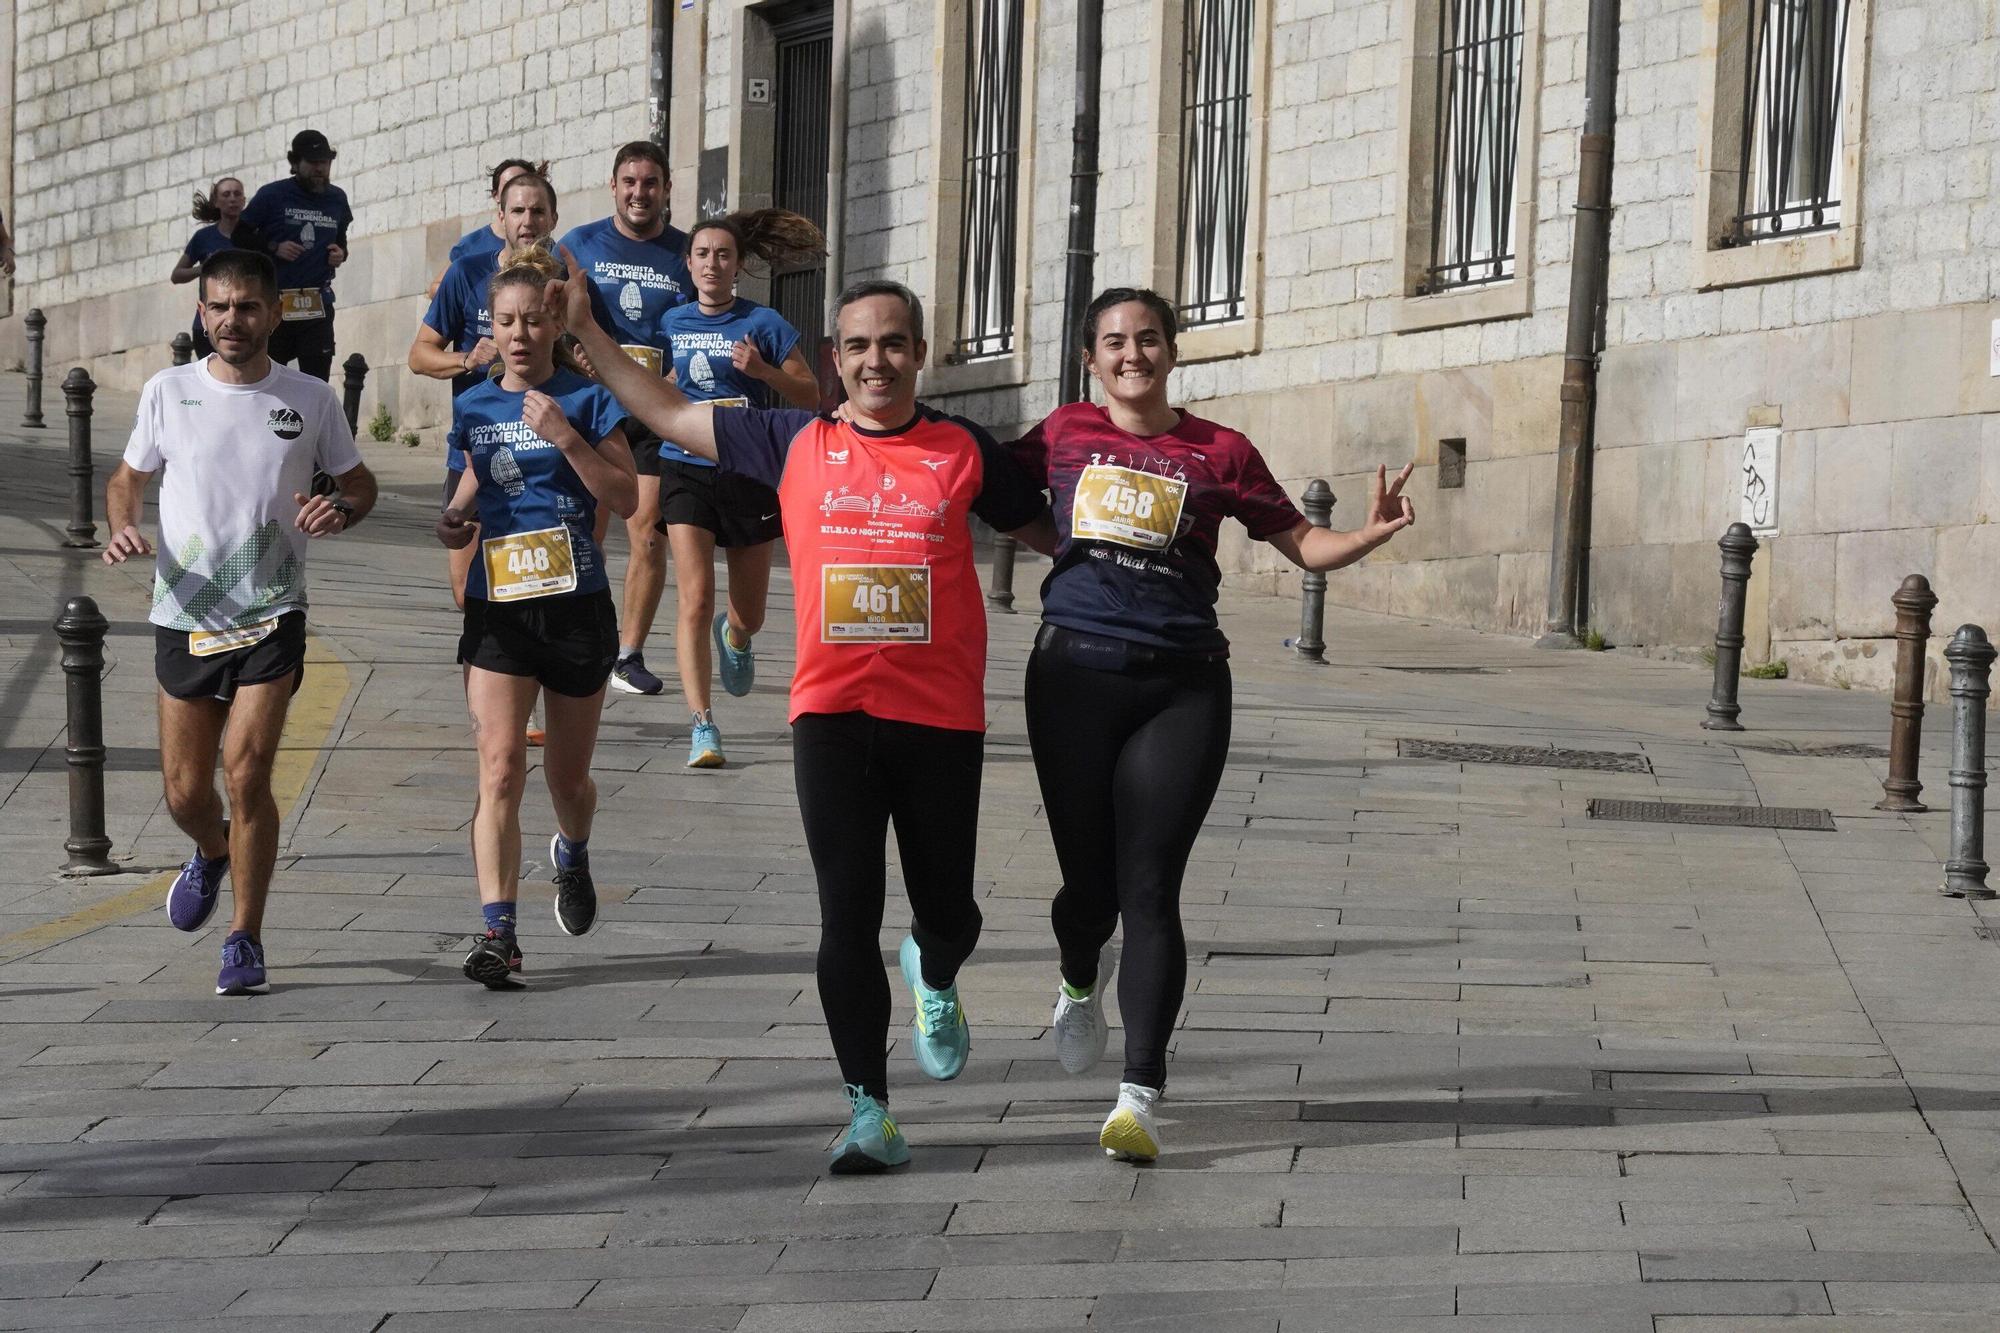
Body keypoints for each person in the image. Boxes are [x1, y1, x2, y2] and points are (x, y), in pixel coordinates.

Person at [555, 255, 1054, 1171]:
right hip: (831, 716)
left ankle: (935, 970)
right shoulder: (788, 439)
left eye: (893, 345)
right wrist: (584, 329)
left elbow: (1055, 536)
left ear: (920, 352)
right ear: (835, 357)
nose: (877, 362)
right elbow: (665, 411)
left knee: (953, 913)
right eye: (859, 346)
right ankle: (870, 1110)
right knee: (845, 912)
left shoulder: (965, 450)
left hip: (942, 717)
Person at [1011, 288, 1415, 1163]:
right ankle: (1081, 976)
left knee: (1150, 885)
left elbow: (1299, 542)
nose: (1133, 354)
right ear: (1091, 358)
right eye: (1115, 342)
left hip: (1183, 686)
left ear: (1171, 350)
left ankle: (1138, 1094)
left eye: (1149, 339)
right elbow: (989, 493)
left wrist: (1368, 535)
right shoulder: (1061, 433)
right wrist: (1063, 551)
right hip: (1071, 677)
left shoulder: (1220, 451)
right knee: (1089, 890)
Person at [102, 248, 377, 996]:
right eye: (218, 306)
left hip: (271, 611)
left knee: (247, 771)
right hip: (184, 611)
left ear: (274, 313)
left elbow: (359, 481)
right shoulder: (168, 391)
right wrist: (122, 524)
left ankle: (245, 936)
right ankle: (212, 850)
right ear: (201, 311)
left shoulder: (311, 398)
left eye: (247, 306)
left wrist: (341, 508)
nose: (231, 319)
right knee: (186, 793)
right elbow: (127, 477)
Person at [436, 246, 638, 987]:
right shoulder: (474, 405)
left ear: (556, 322)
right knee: (498, 768)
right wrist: (454, 520)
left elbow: (626, 498)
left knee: (566, 776)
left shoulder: (586, 401)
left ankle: (573, 850)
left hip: (577, 610)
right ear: (490, 327)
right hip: (500, 610)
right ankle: (500, 933)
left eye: (533, 320)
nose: (519, 334)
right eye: (506, 322)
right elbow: (470, 485)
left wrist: (564, 436)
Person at [655, 210, 824, 767]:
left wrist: (762, 372)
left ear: (739, 266)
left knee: (747, 610)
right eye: (702, 254)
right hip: (685, 466)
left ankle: (738, 636)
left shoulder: (765, 322)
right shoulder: (671, 322)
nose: (712, 264)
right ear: (689, 264)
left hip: (751, 465)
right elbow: (662, 387)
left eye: (723, 255)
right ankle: (702, 724)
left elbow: (810, 395)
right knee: (695, 597)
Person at [557, 140, 692, 699]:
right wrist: (573, 357)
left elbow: (702, 319)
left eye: (650, 183)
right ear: (613, 187)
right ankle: (574, 635)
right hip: (592, 406)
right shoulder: (578, 245)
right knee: (586, 529)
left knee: (650, 533)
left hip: (656, 409)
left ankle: (628, 654)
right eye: (630, 182)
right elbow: (551, 315)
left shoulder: (687, 252)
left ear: (665, 189)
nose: (640, 193)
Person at [411, 171, 562, 608]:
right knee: (469, 595)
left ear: (553, 218)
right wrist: (466, 359)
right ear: (500, 216)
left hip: (546, 446)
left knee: (551, 583)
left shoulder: (565, 282)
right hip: (477, 449)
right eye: (518, 210)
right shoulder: (467, 272)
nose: (528, 221)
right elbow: (419, 355)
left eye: (538, 211)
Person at [241, 129, 352, 382]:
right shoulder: (272, 195)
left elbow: (341, 238)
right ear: (294, 163)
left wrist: (341, 253)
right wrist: (273, 247)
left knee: (316, 380)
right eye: (312, 163)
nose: (319, 169)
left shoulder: (337, 198)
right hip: (275, 303)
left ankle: (313, 422)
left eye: (324, 163)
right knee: (268, 376)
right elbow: (240, 235)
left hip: (316, 303)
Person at [171, 179, 269, 358]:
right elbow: (177, 275)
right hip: (208, 325)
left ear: (244, 200)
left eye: (237, 194)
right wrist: (204, 269)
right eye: (226, 194)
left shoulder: (257, 238)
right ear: (216, 202)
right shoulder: (204, 237)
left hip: (247, 322)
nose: (232, 199)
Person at [428, 158, 546, 298]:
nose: (517, 189)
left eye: (523, 182)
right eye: (510, 184)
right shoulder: (472, 244)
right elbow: (436, 288)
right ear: (496, 195)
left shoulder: (546, 247)